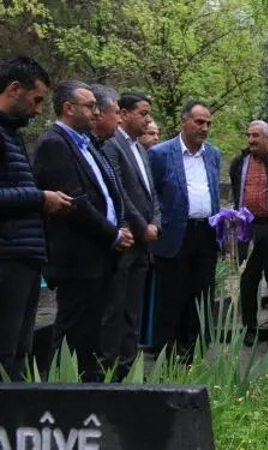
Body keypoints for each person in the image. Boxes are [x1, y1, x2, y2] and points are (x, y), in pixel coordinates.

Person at [33, 80, 133, 381]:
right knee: (72, 337)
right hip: (77, 260)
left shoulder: (85, 143)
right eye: (90, 106)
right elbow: (75, 203)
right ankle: (63, 396)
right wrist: (113, 234)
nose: (96, 112)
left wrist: (120, 225)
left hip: (99, 257)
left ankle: (88, 393)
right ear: (68, 108)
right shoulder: (54, 144)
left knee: (90, 338)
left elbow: (108, 194)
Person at [0, 55, 71, 380]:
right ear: (15, 88)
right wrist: (40, 198)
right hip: (7, 257)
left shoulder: (11, 134)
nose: (39, 110)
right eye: (37, 99)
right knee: (5, 351)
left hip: (23, 255)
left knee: (19, 352)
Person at [148, 101, 221, 356]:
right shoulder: (160, 154)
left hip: (206, 233)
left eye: (208, 123)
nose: (205, 128)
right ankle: (166, 354)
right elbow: (152, 195)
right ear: (184, 121)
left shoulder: (213, 154)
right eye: (199, 122)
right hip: (174, 234)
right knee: (171, 296)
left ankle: (194, 353)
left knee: (201, 295)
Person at [99, 91, 160, 377]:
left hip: (143, 245)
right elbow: (120, 191)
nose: (148, 120)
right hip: (127, 241)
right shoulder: (113, 146)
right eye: (143, 113)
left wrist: (155, 222)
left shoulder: (140, 149)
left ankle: (128, 368)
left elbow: (151, 193)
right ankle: (110, 370)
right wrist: (141, 226)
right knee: (115, 310)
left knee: (132, 312)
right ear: (124, 114)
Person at [229, 120, 268, 346]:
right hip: (247, 228)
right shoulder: (239, 163)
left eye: (255, 136)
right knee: (248, 278)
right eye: (249, 135)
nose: (250, 140)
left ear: (267, 138)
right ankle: (249, 329)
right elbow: (236, 190)